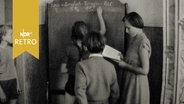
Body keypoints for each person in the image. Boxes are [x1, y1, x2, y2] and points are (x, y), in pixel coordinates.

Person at [60, 7, 106, 104]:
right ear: (87, 32)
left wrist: (73, 69)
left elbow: (62, 69)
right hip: (87, 83)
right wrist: (99, 14)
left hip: (72, 82)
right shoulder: (91, 44)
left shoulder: (68, 49)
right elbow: (103, 31)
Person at [75, 31, 119, 104]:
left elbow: (80, 92)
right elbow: (115, 93)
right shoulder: (110, 66)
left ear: (86, 47)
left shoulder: (81, 65)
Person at [116, 12, 151, 104]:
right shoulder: (136, 38)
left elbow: (145, 70)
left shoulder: (143, 42)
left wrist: (125, 66)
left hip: (137, 83)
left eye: (128, 28)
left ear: (137, 26)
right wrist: (124, 58)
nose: (126, 31)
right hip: (131, 80)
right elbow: (134, 59)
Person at [0, 25, 20, 104]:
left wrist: (17, 84)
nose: (13, 36)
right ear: (3, 36)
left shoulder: (11, 49)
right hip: (2, 83)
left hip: (13, 82)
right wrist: (0, 92)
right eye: (11, 34)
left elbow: (13, 67)